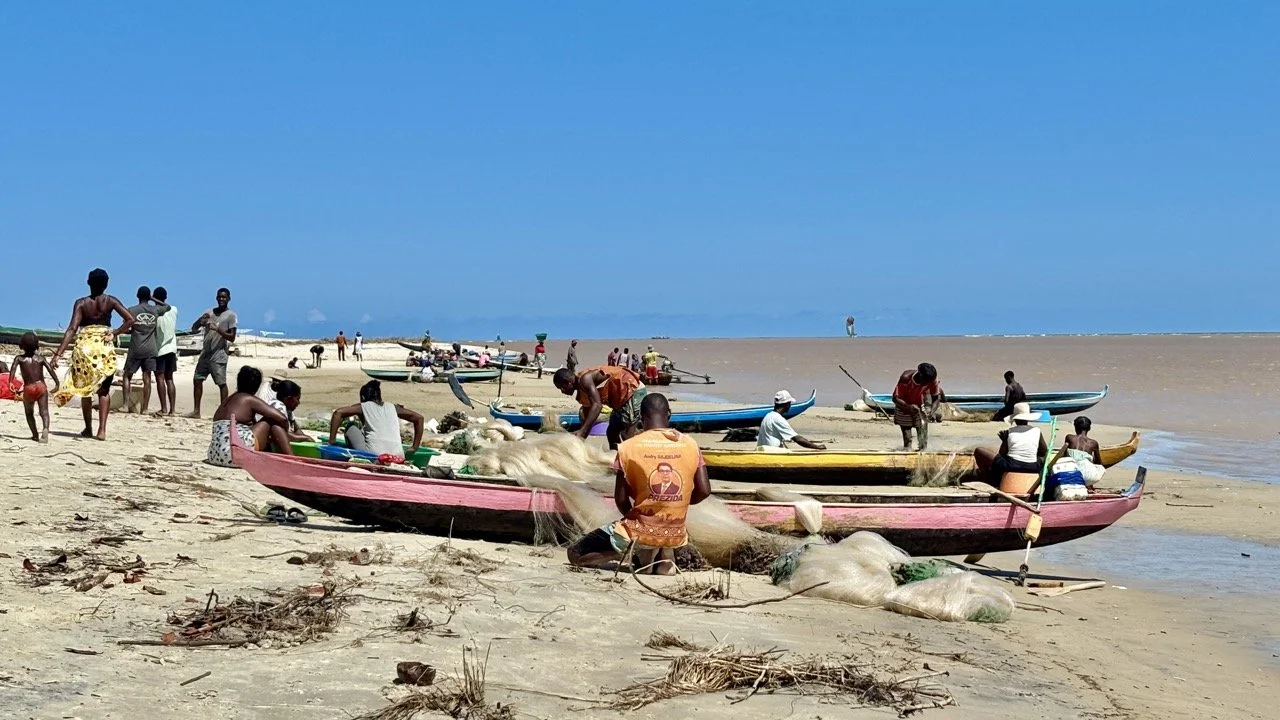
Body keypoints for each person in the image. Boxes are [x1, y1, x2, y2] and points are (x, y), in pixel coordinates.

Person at [567, 393, 711, 575]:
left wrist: (637, 519)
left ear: (641, 418)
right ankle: (664, 554)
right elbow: (704, 490)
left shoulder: (628, 447)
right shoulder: (690, 444)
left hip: (640, 529)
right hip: (676, 532)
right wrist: (673, 504)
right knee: (662, 534)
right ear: (669, 414)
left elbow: (621, 499)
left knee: (575, 553)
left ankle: (642, 552)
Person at [52, 268, 136, 441]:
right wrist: (115, 333)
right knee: (104, 391)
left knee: (85, 391)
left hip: (85, 348)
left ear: (88, 283)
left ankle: (88, 428)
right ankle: (102, 430)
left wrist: (58, 354)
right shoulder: (110, 300)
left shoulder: (81, 303)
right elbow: (130, 319)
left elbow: (72, 329)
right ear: (106, 284)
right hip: (103, 348)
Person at [206, 366, 294, 467]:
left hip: (215, 455)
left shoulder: (227, 401)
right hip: (234, 455)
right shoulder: (248, 399)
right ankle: (291, 458)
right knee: (271, 419)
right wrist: (286, 434)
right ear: (256, 386)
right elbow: (282, 418)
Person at [553, 364, 646, 449]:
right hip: (620, 400)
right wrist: (580, 439)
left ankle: (633, 458)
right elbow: (587, 419)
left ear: (568, 383)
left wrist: (581, 431)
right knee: (612, 433)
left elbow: (597, 405)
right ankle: (615, 458)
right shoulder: (582, 394)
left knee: (627, 436)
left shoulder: (585, 380)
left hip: (632, 389)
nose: (562, 391)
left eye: (561, 387)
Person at [328, 379, 424, 459]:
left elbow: (338, 413)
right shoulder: (393, 407)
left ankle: (352, 457)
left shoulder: (363, 406)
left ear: (363, 397)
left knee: (351, 427)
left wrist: (332, 441)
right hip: (398, 456)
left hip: (374, 455)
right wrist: (414, 447)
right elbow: (419, 418)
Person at [122, 286, 171, 415]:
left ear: (137, 296)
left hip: (136, 348)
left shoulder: (131, 310)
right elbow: (167, 307)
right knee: (147, 377)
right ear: (149, 297)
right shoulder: (155, 309)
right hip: (150, 349)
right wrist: (153, 298)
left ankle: (125, 405)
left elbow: (126, 328)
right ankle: (145, 408)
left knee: (127, 376)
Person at [972, 402, 1048, 484]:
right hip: (1033, 467)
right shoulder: (1037, 431)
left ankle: (989, 478)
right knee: (1042, 458)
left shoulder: (1010, 432)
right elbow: (1044, 451)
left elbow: (1002, 454)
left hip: (1011, 466)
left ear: (1015, 419)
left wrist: (1004, 441)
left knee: (979, 450)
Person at [190, 288, 237, 419]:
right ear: (216, 298)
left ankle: (223, 413)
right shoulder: (209, 312)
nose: (221, 299)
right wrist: (200, 321)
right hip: (205, 353)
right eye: (219, 297)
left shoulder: (231, 315)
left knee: (221, 383)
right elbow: (193, 328)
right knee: (197, 380)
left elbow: (232, 337)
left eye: (224, 297)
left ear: (229, 299)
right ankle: (196, 411)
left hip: (219, 354)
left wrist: (218, 329)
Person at [13, 332, 60, 442]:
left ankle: (35, 435)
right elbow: (51, 370)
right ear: (37, 346)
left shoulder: (19, 359)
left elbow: (13, 370)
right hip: (41, 386)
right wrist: (57, 383)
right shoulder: (41, 359)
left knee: (29, 412)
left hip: (28, 388)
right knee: (44, 411)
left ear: (21, 345)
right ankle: (45, 429)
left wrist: (11, 382)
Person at [1046, 416, 1106, 497]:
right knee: (1097, 467)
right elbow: (1099, 463)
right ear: (1089, 428)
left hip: (1072, 473)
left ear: (1075, 427)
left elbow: (1064, 456)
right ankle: (1089, 485)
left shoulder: (1069, 438)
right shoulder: (1093, 443)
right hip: (1089, 476)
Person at [891, 362, 942, 451]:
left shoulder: (932, 380)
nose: (927, 384)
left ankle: (922, 451)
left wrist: (932, 411)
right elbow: (895, 398)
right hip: (903, 405)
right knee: (907, 438)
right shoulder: (906, 378)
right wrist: (908, 406)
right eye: (925, 382)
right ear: (920, 375)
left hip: (920, 404)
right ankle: (907, 450)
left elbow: (936, 398)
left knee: (923, 438)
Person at [758, 390, 826, 450]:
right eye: (790, 403)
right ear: (787, 404)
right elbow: (797, 439)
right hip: (773, 453)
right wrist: (816, 447)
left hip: (764, 450)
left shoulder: (768, 416)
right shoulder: (778, 419)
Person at [256, 378, 310, 444]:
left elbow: (296, 429)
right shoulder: (278, 407)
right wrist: (305, 438)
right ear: (288, 398)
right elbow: (283, 434)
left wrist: (308, 440)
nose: (298, 403)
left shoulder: (288, 410)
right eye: (297, 399)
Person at [151, 287, 178, 416]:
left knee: (160, 378)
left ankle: (164, 408)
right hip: (172, 349)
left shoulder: (154, 312)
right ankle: (172, 409)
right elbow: (167, 306)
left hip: (160, 349)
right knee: (170, 379)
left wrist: (151, 299)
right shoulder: (174, 309)